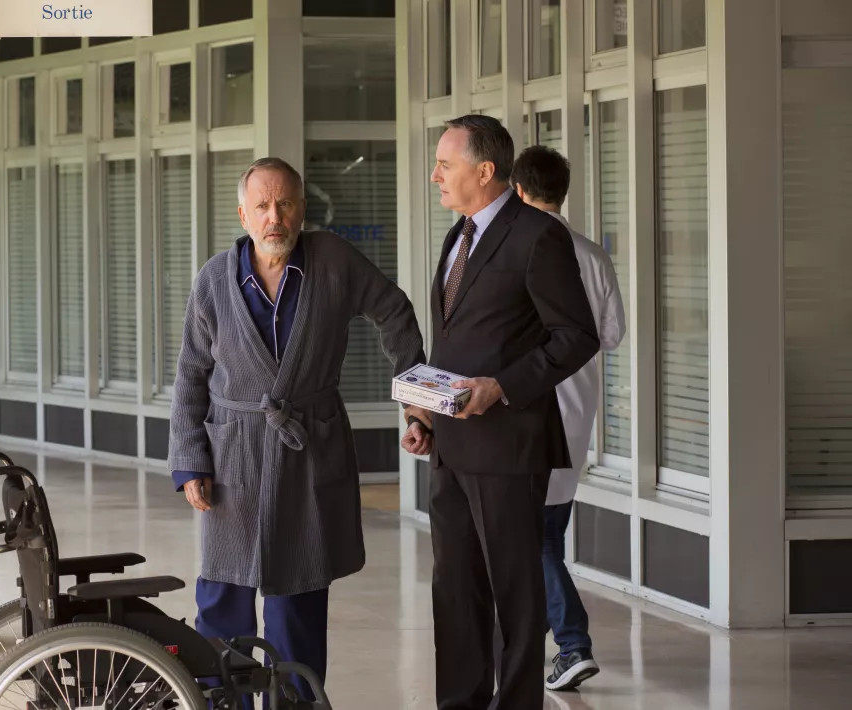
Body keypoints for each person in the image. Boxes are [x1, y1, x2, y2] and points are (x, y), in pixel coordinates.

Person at [170, 157, 426, 703]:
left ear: (302, 209)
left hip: (308, 446)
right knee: (223, 596)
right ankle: (221, 702)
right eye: (262, 206)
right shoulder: (214, 279)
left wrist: (415, 399)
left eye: (285, 203)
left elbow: (395, 312)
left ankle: (296, 703)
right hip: (233, 452)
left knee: (299, 597)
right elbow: (191, 373)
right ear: (243, 214)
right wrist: (190, 460)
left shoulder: (332, 260)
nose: (275, 217)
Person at [401, 115, 600, 710]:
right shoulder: (457, 235)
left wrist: (503, 387)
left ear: (485, 171)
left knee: (514, 596)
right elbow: (455, 341)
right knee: (455, 591)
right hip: (451, 447)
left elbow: (576, 337)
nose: (435, 175)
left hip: (510, 448)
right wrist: (425, 414)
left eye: (445, 164)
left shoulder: (539, 236)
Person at [510, 145, 625, 691]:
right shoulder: (592, 254)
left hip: (530, 411)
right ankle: (536, 638)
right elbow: (612, 334)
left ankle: (572, 643)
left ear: (517, 190)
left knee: (534, 536)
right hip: (578, 409)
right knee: (547, 530)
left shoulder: (520, 251)